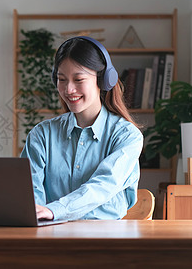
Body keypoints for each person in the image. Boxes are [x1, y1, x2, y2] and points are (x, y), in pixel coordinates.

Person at [20, 36, 143, 221]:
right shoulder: (42, 135)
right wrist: (36, 217)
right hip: (51, 237)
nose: (69, 89)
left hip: (107, 240)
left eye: (78, 79)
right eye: (62, 79)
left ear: (102, 80)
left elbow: (103, 186)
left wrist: (54, 211)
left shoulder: (127, 136)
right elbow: (29, 194)